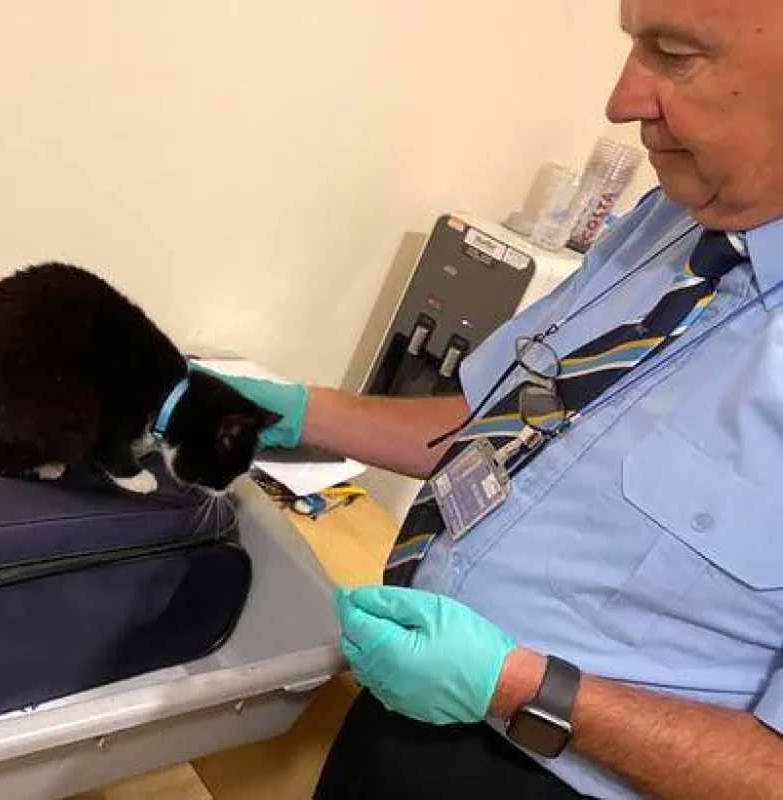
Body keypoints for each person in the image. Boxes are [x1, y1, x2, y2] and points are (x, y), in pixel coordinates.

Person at [205, 1, 783, 796]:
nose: (620, 101)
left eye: (675, 54)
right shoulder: (672, 221)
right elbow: (502, 429)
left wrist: (520, 690)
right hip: (407, 710)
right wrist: (296, 411)